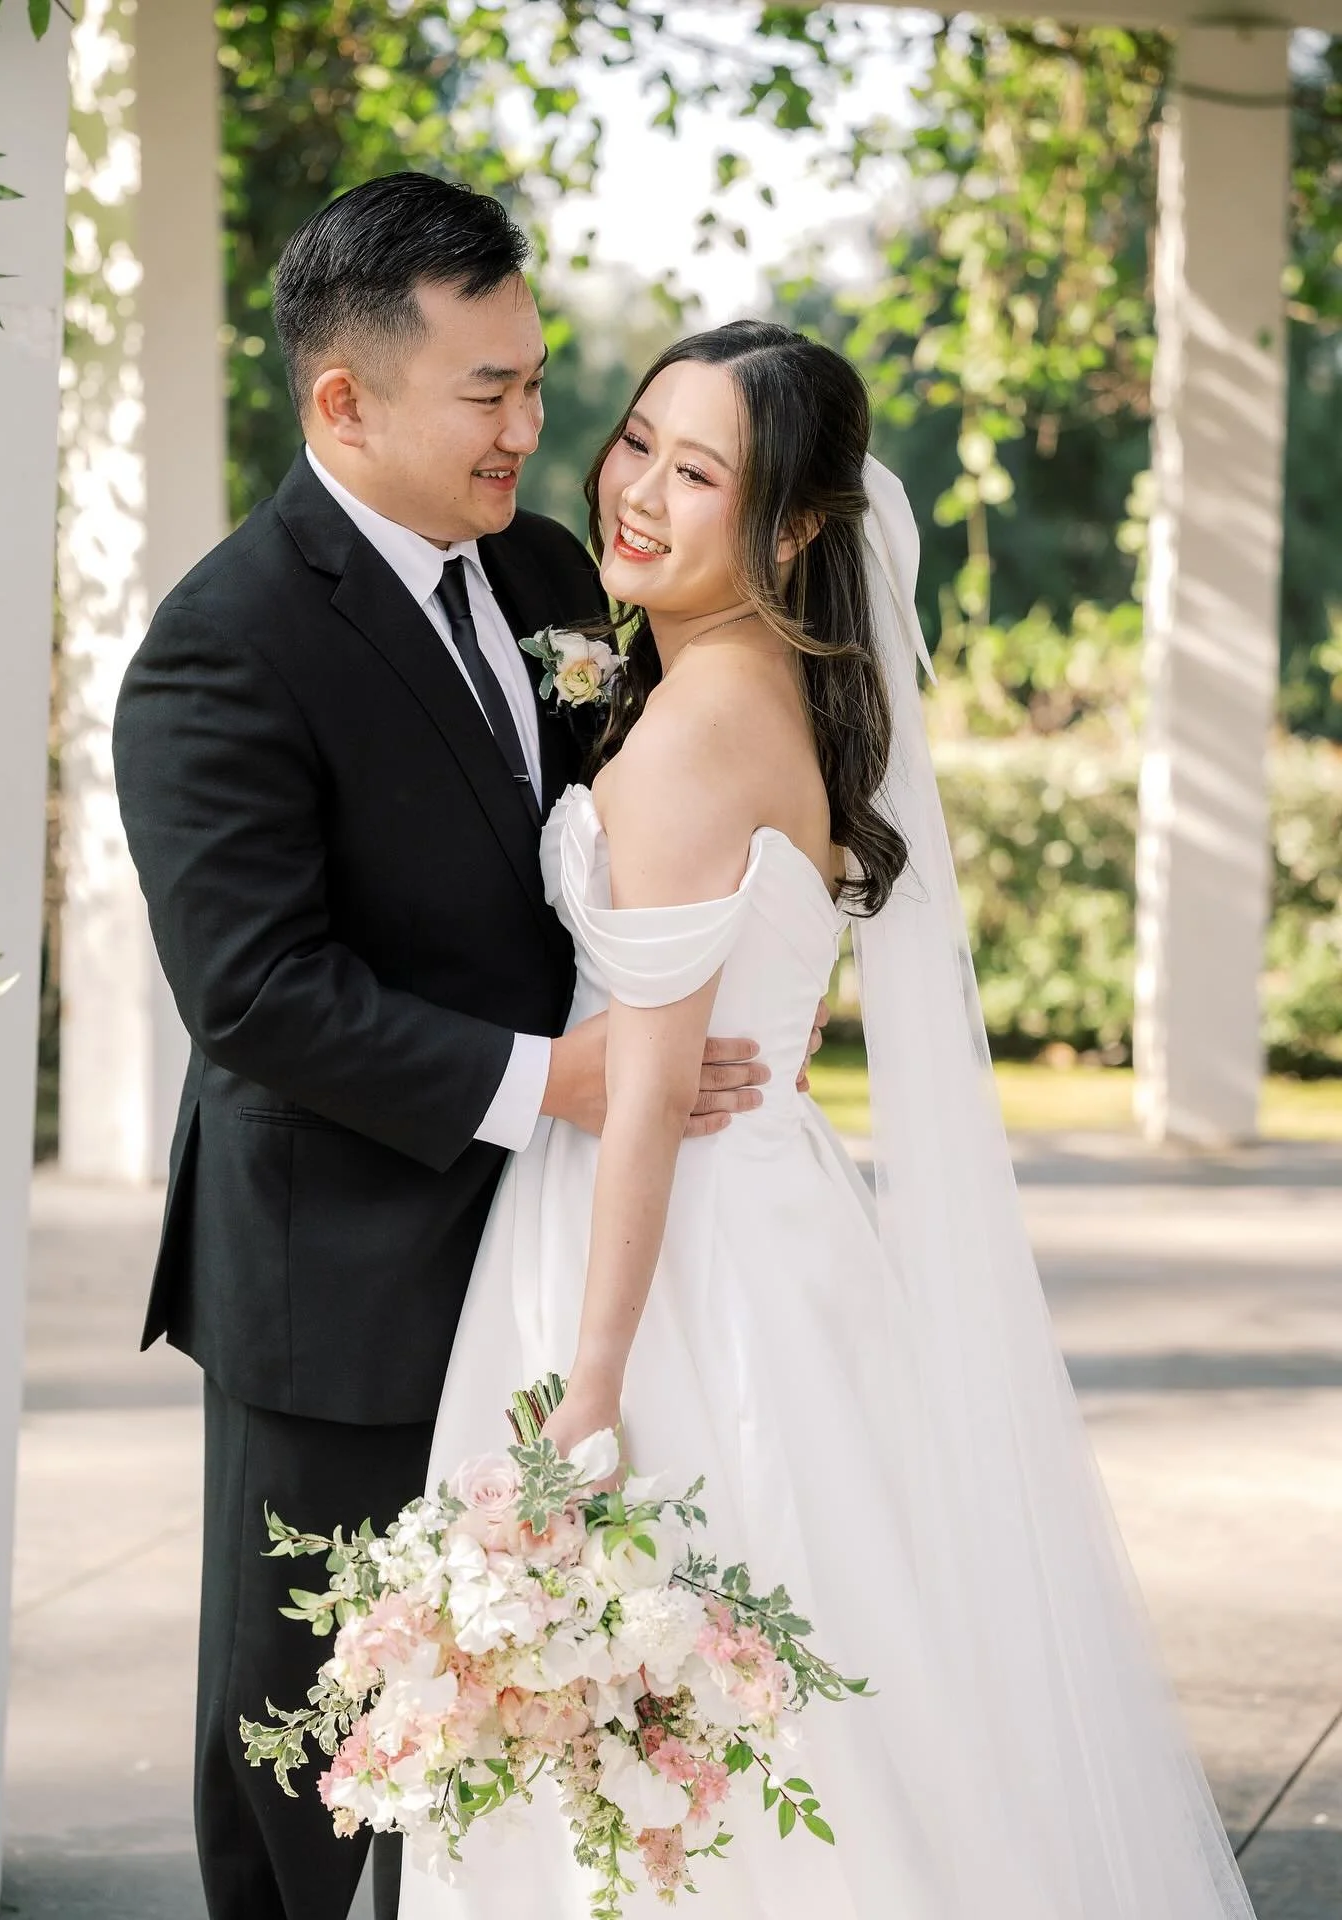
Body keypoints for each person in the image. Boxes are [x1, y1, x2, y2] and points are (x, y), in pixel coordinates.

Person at [404, 321, 1259, 1919]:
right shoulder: (774, 695)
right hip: (781, 1211)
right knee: (827, 1672)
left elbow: (649, 1099)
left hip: (658, 1259)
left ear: (795, 525)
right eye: (639, 440)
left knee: (676, 1721)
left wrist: (588, 1394)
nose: (640, 492)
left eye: (701, 470)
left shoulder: (687, 740)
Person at [111, 176, 802, 1920]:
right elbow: (257, 993)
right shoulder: (220, 647)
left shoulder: (557, 573)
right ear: (345, 400)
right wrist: (562, 1080)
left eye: (537, 379)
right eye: (488, 390)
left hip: (566, 1247)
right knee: (310, 1735)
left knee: (541, 1718)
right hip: (336, 1264)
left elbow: (637, 841)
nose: (533, 429)